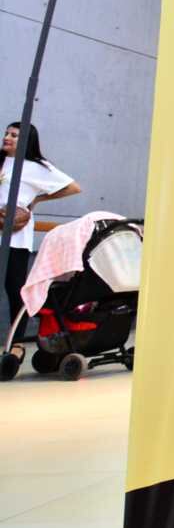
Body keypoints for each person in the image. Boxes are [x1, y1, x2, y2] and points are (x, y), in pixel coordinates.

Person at [1, 123, 80, 362]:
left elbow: (73, 187)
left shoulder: (36, 168)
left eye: (14, 135)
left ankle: (16, 345)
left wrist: (36, 200)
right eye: (6, 133)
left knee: (15, 290)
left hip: (15, 239)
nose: (7, 138)